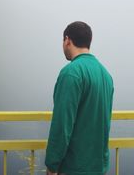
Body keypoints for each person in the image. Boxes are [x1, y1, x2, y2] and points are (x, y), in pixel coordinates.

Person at [45, 21, 114, 175]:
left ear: (67, 40)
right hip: (98, 167)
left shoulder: (72, 73)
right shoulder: (106, 75)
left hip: (74, 167)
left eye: (63, 41)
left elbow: (62, 124)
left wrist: (52, 165)